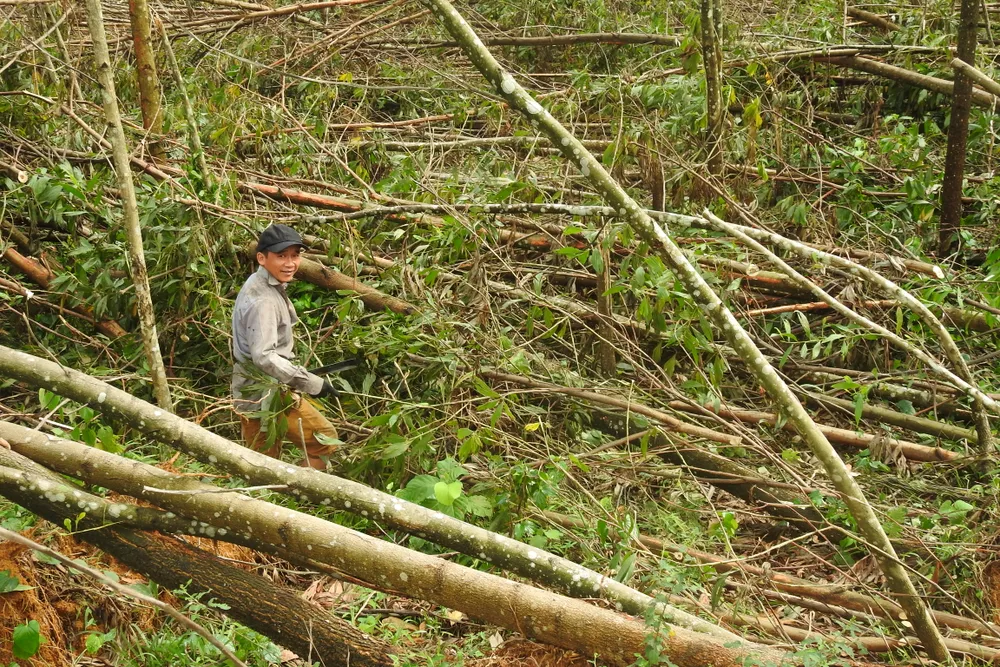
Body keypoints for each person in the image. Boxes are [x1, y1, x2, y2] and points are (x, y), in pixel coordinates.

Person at [231, 224, 340, 470]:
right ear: (262, 258)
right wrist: (311, 383)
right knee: (324, 441)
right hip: (263, 391)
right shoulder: (263, 300)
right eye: (281, 256)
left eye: (295, 255)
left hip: (256, 389)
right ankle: (291, 498)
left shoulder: (260, 282)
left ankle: (280, 500)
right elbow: (264, 356)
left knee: (262, 462)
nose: (290, 263)